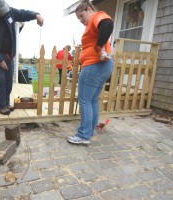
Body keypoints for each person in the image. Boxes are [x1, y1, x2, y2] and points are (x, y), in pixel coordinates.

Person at [0, 0, 44, 115]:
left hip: (9, 54)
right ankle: (1, 106)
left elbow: (23, 13)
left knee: (8, 82)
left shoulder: (10, 12)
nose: (4, 13)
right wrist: (0, 60)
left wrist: (36, 15)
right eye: (1, 11)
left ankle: (6, 103)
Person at [67, 0, 114, 145]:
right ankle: (90, 131)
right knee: (92, 100)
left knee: (85, 101)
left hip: (94, 65)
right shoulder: (92, 24)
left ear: (88, 9)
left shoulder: (96, 17)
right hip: (103, 66)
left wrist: (99, 48)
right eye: (78, 18)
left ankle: (83, 135)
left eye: (81, 16)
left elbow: (107, 24)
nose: (80, 20)